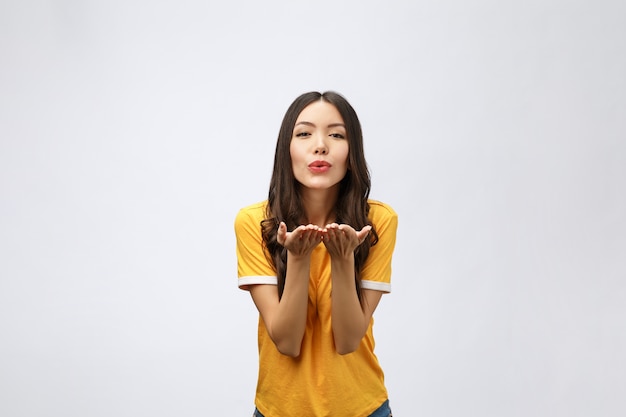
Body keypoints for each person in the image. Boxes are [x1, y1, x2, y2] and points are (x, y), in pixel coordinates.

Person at [234, 91, 398, 417]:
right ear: (287, 150)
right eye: (304, 133)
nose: (320, 145)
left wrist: (342, 258)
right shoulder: (255, 223)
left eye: (336, 134)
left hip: (363, 408)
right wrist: (297, 257)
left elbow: (349, 341)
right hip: (279, 409)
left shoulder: (377, 221)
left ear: (352, 153)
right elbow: (287, 342)